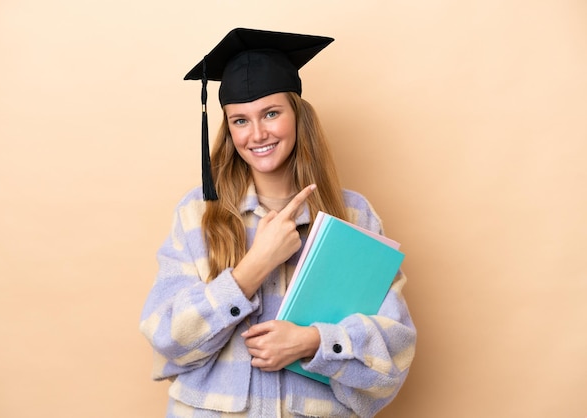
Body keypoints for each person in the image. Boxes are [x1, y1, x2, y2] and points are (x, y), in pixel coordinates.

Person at [139, 28, 416, 418]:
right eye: (240, 120)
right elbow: (167, 337)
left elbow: (393, 355)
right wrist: (252, 269)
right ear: (227, 128)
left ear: (297, 115)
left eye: (271, 113)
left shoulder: (353, 216)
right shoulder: (199, 214)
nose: (257, 134)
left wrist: (313, 342)